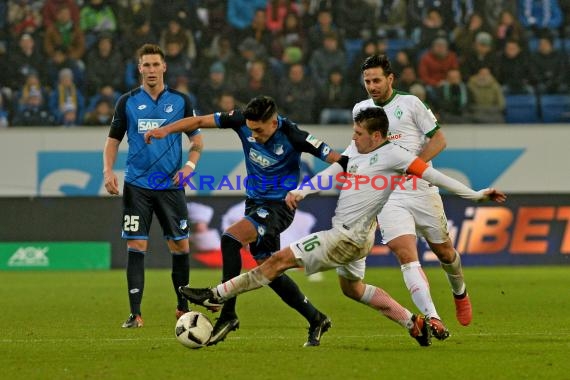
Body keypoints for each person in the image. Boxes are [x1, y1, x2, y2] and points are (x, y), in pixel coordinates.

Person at [177, 107, 506, 347]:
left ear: (376, 136)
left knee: (275, 263)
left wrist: (477, 195)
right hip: (359, 235)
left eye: (359, 134)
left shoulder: (396, 157)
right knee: (352, 289)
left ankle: (215, 295)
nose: (353, 138)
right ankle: (413, 323)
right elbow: (332, 170)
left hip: (345, 237)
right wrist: (302, 190)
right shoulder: (357, 152)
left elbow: (436, 176)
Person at [144, 95, 341, 347]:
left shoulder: (293, 135)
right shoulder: (241, 120)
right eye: (250, 129)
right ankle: (316, 318)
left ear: (273, 123)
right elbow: (201, 120)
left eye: (259, 130)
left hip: (279, 207)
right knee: (269, 270)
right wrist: (166, 130)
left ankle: (227, 313)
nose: (254, 135)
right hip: (255, 203)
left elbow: (336, 159)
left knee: (230, 239)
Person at [352, 54, 472, 341]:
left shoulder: (411, 104)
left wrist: (414, 166)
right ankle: (433, 317)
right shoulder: (361, 109)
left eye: (377, 80)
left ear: (390, 79)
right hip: (387, 194)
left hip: (420, 189)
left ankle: (460, 291)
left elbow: (439, 139)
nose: (372, 86)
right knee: (406, 254)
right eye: (367, 81)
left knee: (444, 253)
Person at [102, 44, 204, 328]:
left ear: (164, 67)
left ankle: (182, 308)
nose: (150, 70)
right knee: (136, 244)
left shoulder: (181, 101)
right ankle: (135, 314)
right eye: (145, 65)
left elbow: (197, 141)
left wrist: (189, 167)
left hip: (170, 185)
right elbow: (113, 141)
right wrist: (108, 170)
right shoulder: (127, 102)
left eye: (155, 64)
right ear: (139, 69)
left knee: (180, 245)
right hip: (137, 186)